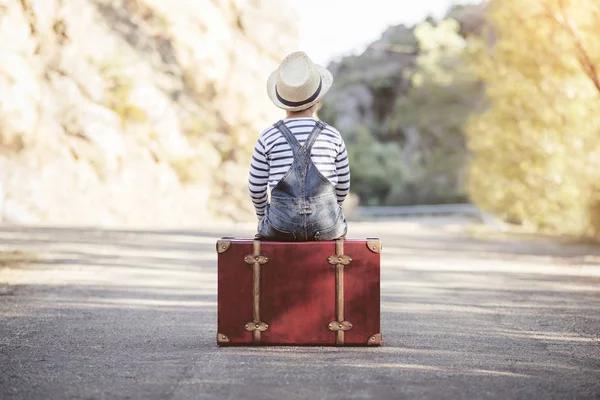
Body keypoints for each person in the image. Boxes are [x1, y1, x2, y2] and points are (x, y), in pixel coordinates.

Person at [248, 51, 350, 241]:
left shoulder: (267, 136)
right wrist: (329, 213)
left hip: (280, 227)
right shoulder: (333, 136)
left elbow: (255, 188)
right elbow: (343, 186)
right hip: (327, 226)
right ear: (317, 100)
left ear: (282, 103)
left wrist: (264, 218)